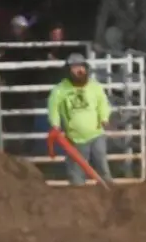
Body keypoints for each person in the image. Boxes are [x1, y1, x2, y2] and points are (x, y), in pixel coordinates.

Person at [47, 53, 113, 185]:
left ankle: (108, 190)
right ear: (68, 70)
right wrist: (55, 125)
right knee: (76, 171)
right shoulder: (60, 90)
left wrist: (104, 118)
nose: (79, 70)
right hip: (75, 138)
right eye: (75, 67)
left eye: (81, 66)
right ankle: (78, 193)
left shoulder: (95, 86)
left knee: (102, 165)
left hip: (97, 134)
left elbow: (103, 103)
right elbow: (53, 108)